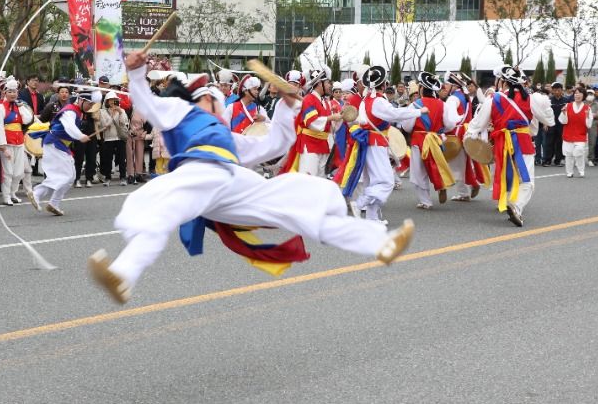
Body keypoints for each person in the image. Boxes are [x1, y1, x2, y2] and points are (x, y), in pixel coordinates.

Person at [87, 49, 416, 304]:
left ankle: (380, 243)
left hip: (231, 185)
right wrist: (135, 71)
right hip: (196, 174)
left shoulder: (229, 138)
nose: (213, 105)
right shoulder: (179, 112)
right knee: (157, 212)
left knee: (295, 203)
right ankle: (122, 274)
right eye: (208, 99)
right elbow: (145, 101)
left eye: (213, 101)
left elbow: (276, 143)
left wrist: (288, 106)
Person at [466, 66, 554, 227]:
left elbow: (478, 123)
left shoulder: (493, 99)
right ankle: (516, 206)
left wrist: (470, 135)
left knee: (507, 176)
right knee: (527, 180)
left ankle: (508, 202)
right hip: (522, 141)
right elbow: (548, 121)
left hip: (501, 142)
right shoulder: (532, 98)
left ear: (503, 82)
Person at [336, 65, 424, 224]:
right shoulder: (378, 101)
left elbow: (361, 121)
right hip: (376, 143)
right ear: (382, 85)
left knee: (373, 181)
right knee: (386, 181)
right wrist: (418, 111)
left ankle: (372, 217)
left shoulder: (366, 101)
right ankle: (360, 202)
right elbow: (395, 114)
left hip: (369, 142)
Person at [400, 72, 458, 210]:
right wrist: (439, 129)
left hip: (419, 140)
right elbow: (450, 124)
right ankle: (440, 185)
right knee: (435, 165)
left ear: (421, 89)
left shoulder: (415, 105)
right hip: (435, 139)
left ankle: (425, 201)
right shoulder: (442, 105)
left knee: (418, 171)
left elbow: (407, 127)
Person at [31, 92, 95, 215]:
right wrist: (80, 136)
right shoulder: (70, 111)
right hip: (55, 143)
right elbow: (69, 127)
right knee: (66, 176)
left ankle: (53, 203)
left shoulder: (77, 111)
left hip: (59, 145)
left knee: (69, 177)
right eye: (89, 103)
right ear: (81, 100)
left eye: (92, 104)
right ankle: (37, 194)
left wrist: (79, 136)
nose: (90, 107)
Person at [281, 67, 341, 176]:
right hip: (310, 145)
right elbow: (311, 122)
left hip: (323, 145)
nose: (330, 86)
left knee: (321, 181)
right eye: (328, 83)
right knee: (308, 180)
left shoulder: (325, 102)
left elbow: (330, 126)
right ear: (319, 84)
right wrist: (331, 118)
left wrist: (340, 117)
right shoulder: (309, 99)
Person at [0, 77, 34, 205]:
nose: (13, 94)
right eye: (10, 92)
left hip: (19, 142)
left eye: (15, 92)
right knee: (8, 172)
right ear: (4, 93)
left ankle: (13, 193)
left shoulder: (18, 107)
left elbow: (27, 119)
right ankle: (6, 196)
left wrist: (22, 107)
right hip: (6, 143)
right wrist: (2, 146)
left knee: (19, 172)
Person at [442, 71, 485, 202]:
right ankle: (470, 186)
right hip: (466, 131)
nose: (444, 87)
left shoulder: (452, 99)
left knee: (456, 164)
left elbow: (451, 120)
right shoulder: (465, 96)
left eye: (446, 84)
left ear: (453, 85)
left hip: (456, 132)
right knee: (464, 162)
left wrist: (443, 130)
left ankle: (464, 191)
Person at [558, 87, 592, 178]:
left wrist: (588, 116)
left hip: (580, 134)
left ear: (583, 96)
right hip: (568, 134)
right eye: (576, 93)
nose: (577, 95)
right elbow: (562, 121)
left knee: (579, 151)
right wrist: (564, 113)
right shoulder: (567, 106)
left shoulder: (587, 108)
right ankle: (569, 172)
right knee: (568, 154)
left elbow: (589, 125)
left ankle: (581, 170)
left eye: (580, 93)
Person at [97, 91, 129, 186]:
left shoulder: (121, 110)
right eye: (110, 100)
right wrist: (112, 116)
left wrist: (119, 112)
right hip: (108, 138)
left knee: (122, 158)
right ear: (107, 101)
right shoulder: (102, 112)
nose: (112, 102)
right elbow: (104, 125)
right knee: (108, 158)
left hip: (119, 137)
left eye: (114, 100)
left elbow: (124, 123)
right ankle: (107, 178)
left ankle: (123, 177)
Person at [542, 82, 567, 167]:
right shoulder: (549, 101)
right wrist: (545, 123)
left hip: (561, 125)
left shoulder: (566, 101)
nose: (557, 92)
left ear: (562, 90)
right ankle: (547, 160)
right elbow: (544, 113)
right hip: (550, 124)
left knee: (560, 143)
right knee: (549, 142)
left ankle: (558, 160)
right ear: (552, 91)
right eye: (555, 90)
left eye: (558, 90)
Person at [586, 90, 598, 166]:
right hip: (583, 124)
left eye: (591, 93)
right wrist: (592, 114)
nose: (590, 94)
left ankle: (590, 159)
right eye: (588, 93)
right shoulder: (583, 103)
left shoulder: (597, 104)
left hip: (593, 125)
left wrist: (589, 114)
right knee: (580, 142)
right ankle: (578, 159)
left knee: (592, 142)